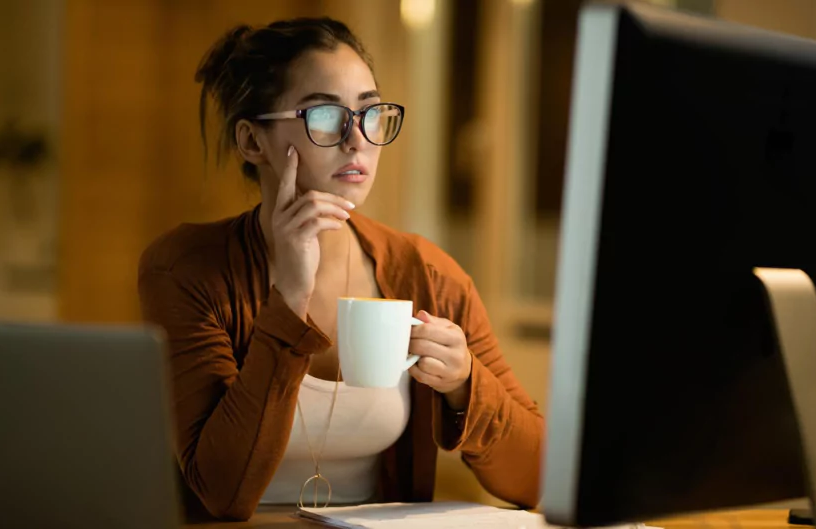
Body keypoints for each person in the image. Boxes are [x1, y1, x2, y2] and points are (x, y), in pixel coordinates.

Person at [137, 17, 543, 521]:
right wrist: (287, 298)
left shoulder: (427, 274)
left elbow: (538, 478)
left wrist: (465, 384)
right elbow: (221, 491)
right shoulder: (185, 268)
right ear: (252, 142)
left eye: (370, 112)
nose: (357, 140)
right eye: (326, 115)